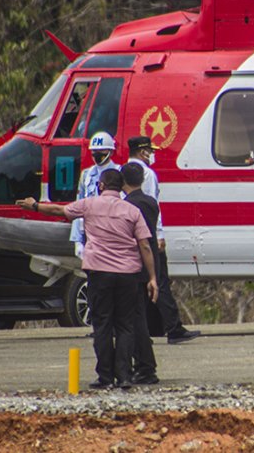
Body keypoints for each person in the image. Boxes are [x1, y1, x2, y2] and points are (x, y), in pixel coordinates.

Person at [16, 169, 158, 388]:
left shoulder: (89, 204)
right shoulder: (132, 210)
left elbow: (58, 210)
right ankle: (125, 376)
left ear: (101, 185)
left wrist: (34, 206)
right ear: (121, 187)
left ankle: (105, 377)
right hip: (127, 275)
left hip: (100, 273)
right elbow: (145, 245)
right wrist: (152, 277)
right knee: (125, 326)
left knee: (102, 324)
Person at [127, 136, 200, 344]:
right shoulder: (147, 174)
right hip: (148, 234)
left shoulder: (124, 171)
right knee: (160, 280)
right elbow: (152, 206)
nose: (152, 155)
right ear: (142, 152)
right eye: (149, 151)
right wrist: (159, 235)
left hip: (130, 235)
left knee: (140, 284)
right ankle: (174, 328)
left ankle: (150, 327)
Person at [121, 163, 161, 384]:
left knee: (135, 320)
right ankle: (144, 365)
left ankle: (146, 367)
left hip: (135, 266)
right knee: (140, 317)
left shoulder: (128, 206)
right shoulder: (150, 202)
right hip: (151, 263)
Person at [70, 131, 121, 260]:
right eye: (94, 152)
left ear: (111, 151)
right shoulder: (86, 175)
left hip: (113, 232)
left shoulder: (119, 172)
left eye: (102, 152)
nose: (97, 156)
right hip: (91, 232)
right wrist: (77, 240)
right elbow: (78, 206)